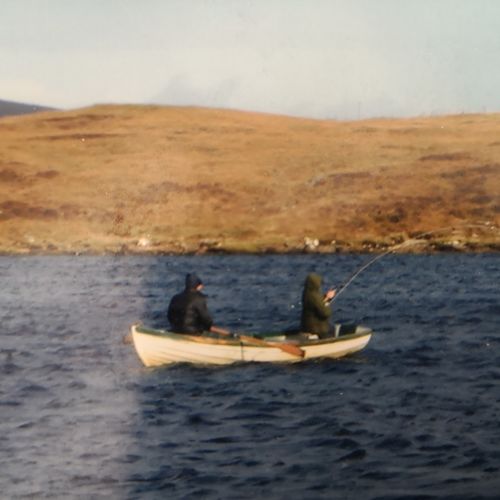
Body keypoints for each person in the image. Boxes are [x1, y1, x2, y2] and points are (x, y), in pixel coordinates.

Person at [300, 273, 336, 338]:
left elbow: (317, 303)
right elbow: (325, 313)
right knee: (331, 329)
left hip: (306, 326)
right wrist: (327, 304)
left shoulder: (306, 293)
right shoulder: (315, 296)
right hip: (317, 329)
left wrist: (326, 296)